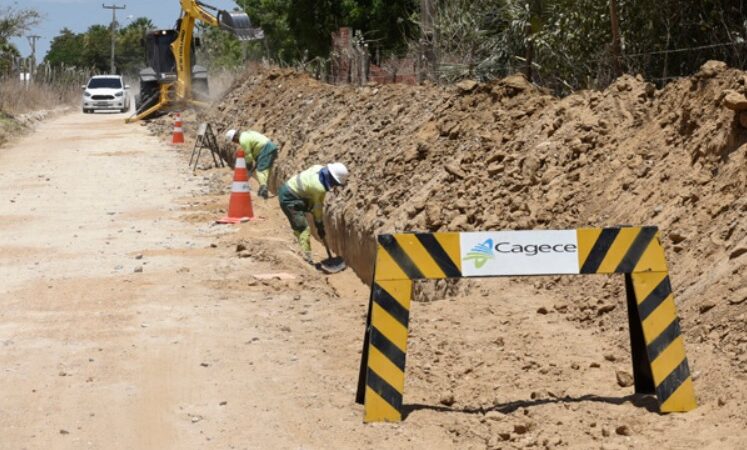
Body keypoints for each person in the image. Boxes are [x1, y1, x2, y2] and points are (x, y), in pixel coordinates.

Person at [278, 163, 349, 264]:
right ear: (331, 178)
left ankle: (304, 250)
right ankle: (307, 260)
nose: (334, 186)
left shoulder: (318, 168)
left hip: (294, 192)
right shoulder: (318, 188)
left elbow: (315, 203)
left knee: (308, 209)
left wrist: (318, 222)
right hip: (288, 199)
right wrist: (319, 224)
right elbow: (317, 206)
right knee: (303, 228)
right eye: (335, 183)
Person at [224, 129, 279, 199]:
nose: (236, 142)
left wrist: (248, 167)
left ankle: (263, 189)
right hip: (270, 147)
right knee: (265, 169)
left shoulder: (243, 140)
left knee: (260, 170)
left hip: (265, 149)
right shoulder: (246, 134)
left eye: (234, 141)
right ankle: (263, 187)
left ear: (234, 138)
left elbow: (249, 156)